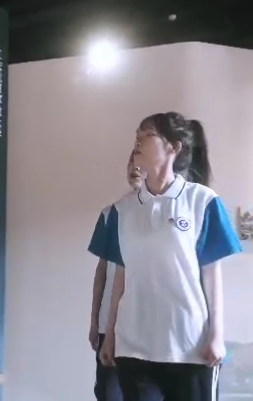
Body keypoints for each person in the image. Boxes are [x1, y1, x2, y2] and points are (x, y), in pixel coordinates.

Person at [96, 112, 241, 401]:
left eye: (147, 135)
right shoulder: (122, 210)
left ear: (173, 148)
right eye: (137, 135)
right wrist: (109, 334)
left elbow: (212, 275)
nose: (138, 140)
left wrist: (216, 335)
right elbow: (120, 276)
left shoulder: (202, 201)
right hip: (134, 347)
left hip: (190, 347)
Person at [89, 154, 159, 401]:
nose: (136, 169)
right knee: (109, 392)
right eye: (132, 163)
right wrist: (94, 321)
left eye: (142, 164)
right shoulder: (111, 214)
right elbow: (102, 271)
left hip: (147, 324)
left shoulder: (163, 213)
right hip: (109, 325)